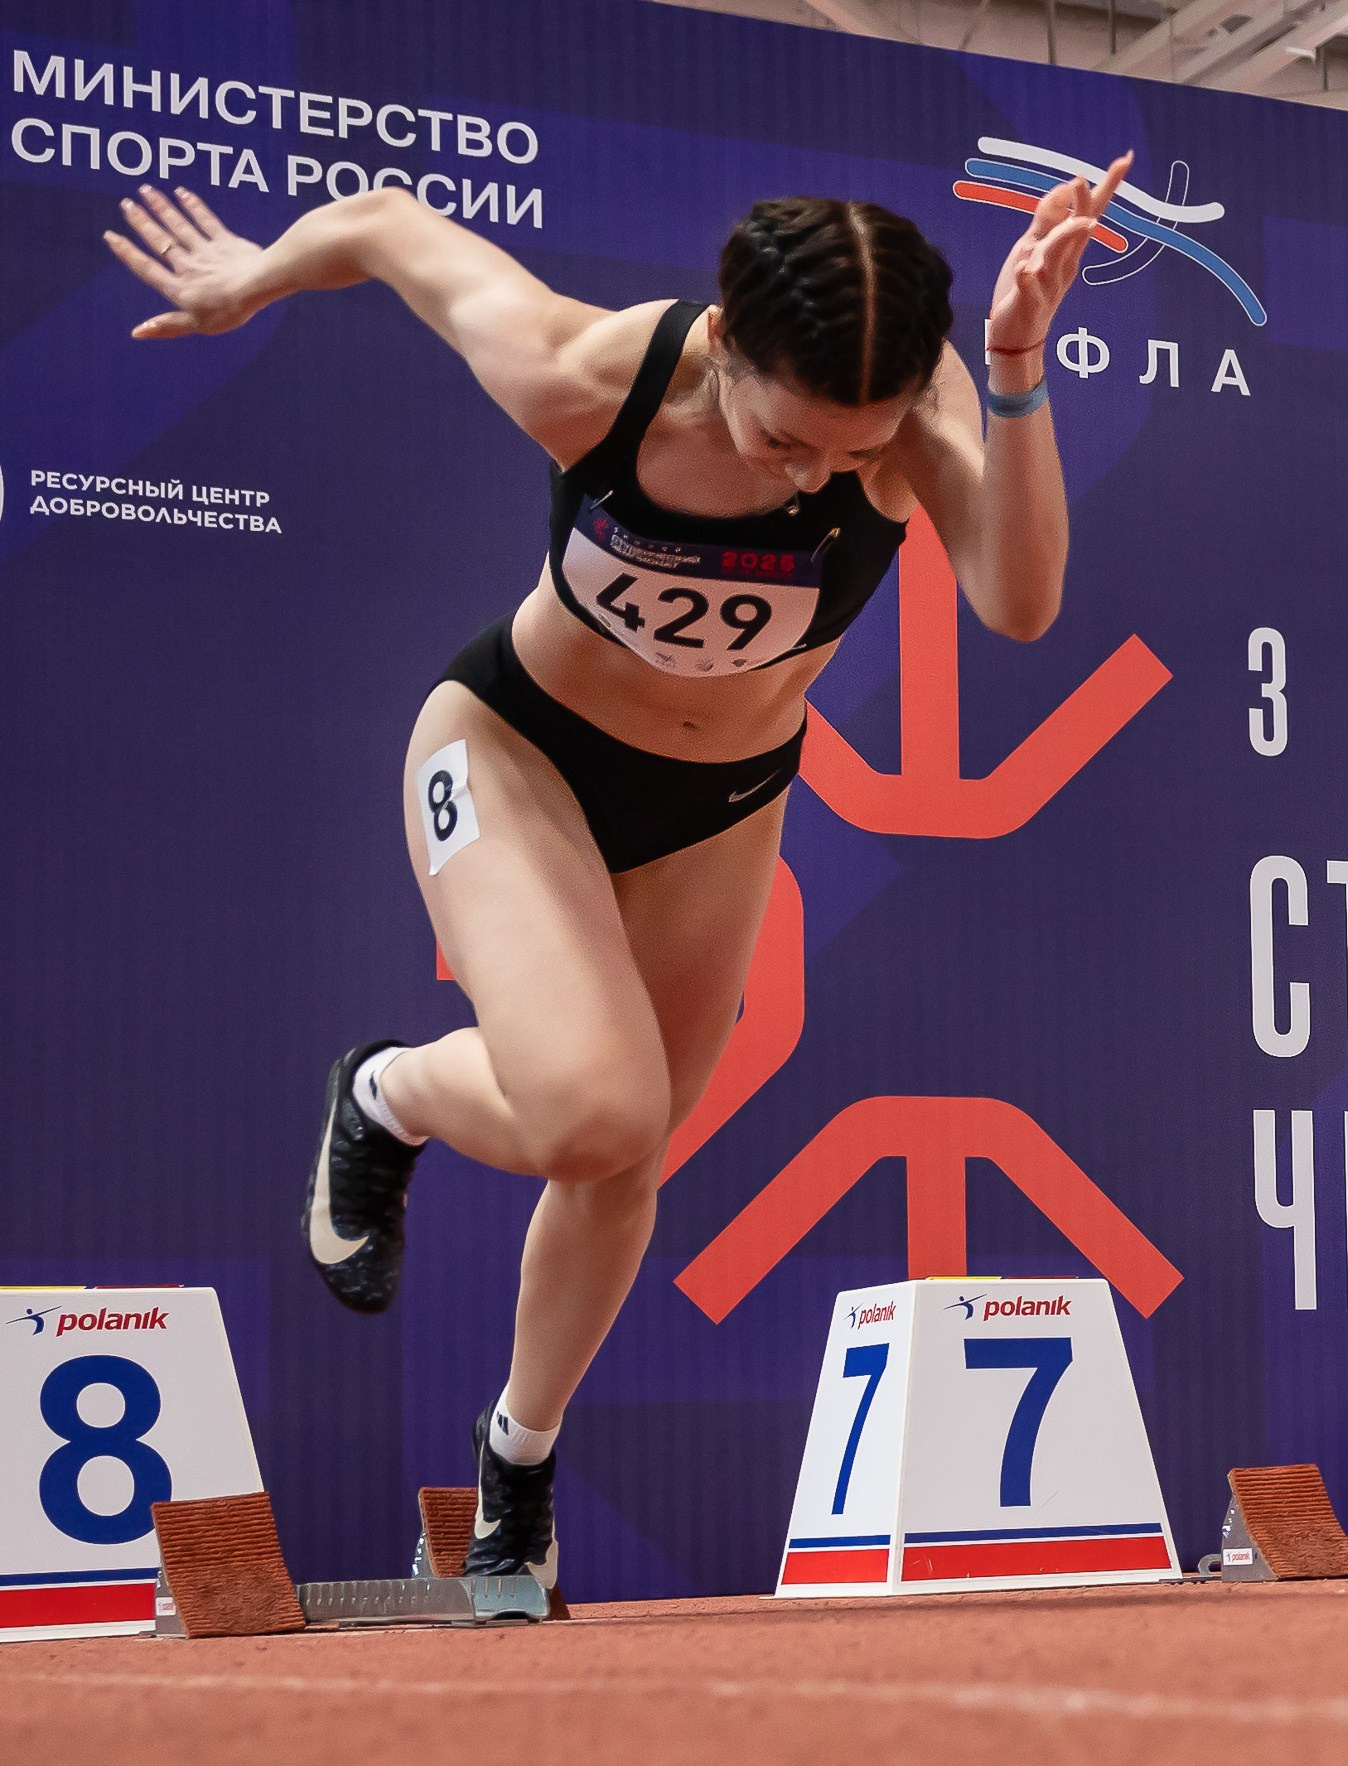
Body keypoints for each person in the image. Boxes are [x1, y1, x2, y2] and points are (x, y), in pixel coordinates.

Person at [104, 155, 1129, 1586]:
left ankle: (518, 1454)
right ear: (722, 346)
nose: (820, 477)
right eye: (788, 442)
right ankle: (388, 1090)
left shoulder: (919, 413)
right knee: (595, 1108)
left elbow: (1019, 604)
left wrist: (1011, 368)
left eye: (854, 450)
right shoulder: (591, 373)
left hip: (721, 801)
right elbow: (391, 227)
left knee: (625, 1155)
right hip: (519, 752)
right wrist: (254, 274)